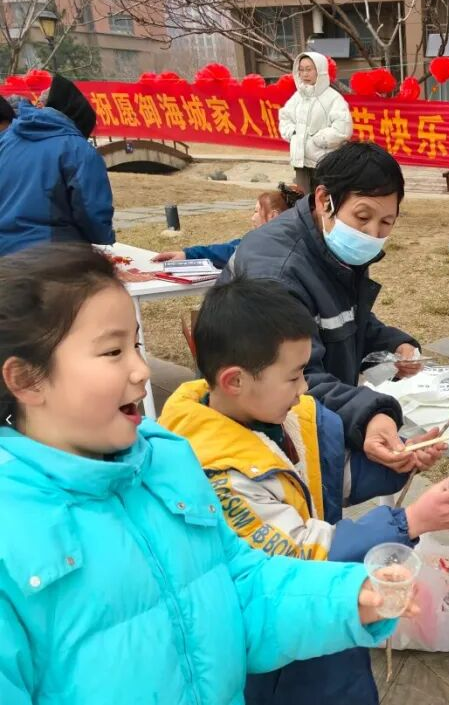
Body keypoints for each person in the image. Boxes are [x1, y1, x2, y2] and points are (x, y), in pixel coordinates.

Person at [0, 243, 416, 704]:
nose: (141, 370)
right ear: (27, 380)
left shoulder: (166, 463)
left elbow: (241, 587)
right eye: (113, 351)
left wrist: (347, 598)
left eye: (135, 345)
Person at [159, 277, 449, 705]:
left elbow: (330, 475)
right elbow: (300, 554)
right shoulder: (218, 477)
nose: (304, 388)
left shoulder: (281, 415)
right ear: (235, 381)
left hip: (332, 623)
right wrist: (410, 521)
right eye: (294, 376)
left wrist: (398, 461)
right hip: (287, 655)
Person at [220, 141, 444, 504]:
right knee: (386, 468)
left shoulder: (328, 244)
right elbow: (296, 378)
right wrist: (369, 416)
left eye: (386, 223)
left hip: (305, 412)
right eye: (363, 217)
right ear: (325, 200)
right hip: (266, 434)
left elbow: (345, 317)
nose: (372, 234)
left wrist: (394, 344)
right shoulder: (277, 272)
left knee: (396, 461)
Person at [0, 74, 113, 257]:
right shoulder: (78, 149)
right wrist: (103, 238)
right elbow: (91, 210)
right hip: (50, 255)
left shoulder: (7, 139)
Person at [151, 183, 304, 267]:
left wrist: (189, 255)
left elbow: (231, 251)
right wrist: (187, 255)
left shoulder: (267, 248)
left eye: (257, 211)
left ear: (273, 216)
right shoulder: (295, 240)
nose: (252, 217)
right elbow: (231, 248)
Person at [279, 52, 350, 194]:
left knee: (323, 199)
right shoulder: (297, 97)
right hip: (300, 162)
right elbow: (285, 119)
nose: (305, 74)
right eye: (301, 70)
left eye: (309, 69)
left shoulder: (333, 98)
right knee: (302, 200)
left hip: (324, 163)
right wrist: (293, 133)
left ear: (320, 71)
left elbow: (343, 129)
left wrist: (320, 139)